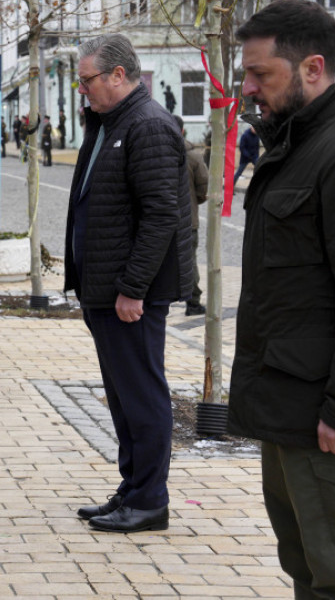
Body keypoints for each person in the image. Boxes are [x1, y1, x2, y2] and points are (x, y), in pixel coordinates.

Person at [228, 0, 335, 598]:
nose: (247, 89)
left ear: (312, 68)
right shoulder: (293, 147)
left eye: (260, 74)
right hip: (290, 413)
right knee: (310, 572)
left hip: (331, 423)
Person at [65, 33, 193, 534]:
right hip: (104, 288)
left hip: (130, 294)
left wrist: (134, 288)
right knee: (121, 396)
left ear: (119, 75)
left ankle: (149, 500)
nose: (83, 91)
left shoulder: (148, 126)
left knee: (141, 394)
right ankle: (131, 488)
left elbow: (161, 216)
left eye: (87, 80)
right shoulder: (109, 123)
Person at [174, 115, 209, 316]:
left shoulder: (159, 152)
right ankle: (193, 302)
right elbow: (203, 189)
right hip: (188, 219)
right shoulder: (194, 156)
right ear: (183, 130)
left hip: (158, 220)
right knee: (189, 261)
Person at [233, 124, 260, 189]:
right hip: (245, 157)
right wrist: (247, 155)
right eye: (254, 129)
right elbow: (242, 148)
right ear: (251, 127)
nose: (255, 130)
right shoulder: (245, 135)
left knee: (259, 169)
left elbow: (257, 147)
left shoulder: (257, 136)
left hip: (254, 157)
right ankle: (231, 187)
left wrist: (256, 155)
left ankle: (258, 187)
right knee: (239, 172)